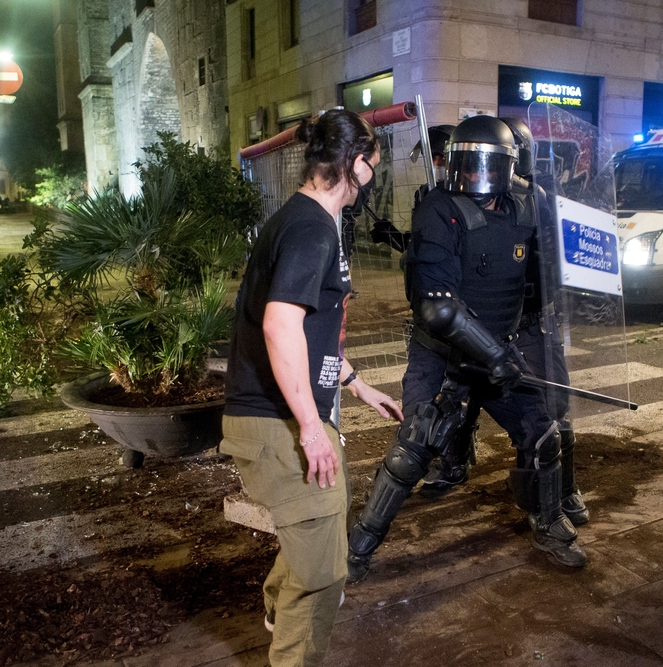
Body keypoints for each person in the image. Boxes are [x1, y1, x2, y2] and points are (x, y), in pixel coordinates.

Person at [345, 115, 588, 583]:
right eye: (464, 162)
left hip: (503, 346)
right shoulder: (438, 208)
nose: (472, 174)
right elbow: (438, 308)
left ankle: (549, 524)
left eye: (484, 164)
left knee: (543, 434)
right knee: (419, 440)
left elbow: (547, 272)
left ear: (506, 165)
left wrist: (549, 309)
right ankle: (358, 547)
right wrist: (494, 357)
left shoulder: (529, 202)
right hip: (443, 353)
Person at [221, 109, 404, 666]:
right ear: (353, 165)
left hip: (290, 415)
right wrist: (310, 429)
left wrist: (355, 385)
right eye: (371, 164)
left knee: (324, 530)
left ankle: (279, 606)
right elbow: (280, 324)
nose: (373, 177)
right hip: (278, 422)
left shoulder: (304, 222)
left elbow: (312, 331)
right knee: (325, 573)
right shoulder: (311, 228)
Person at [421, 117, 589, 526]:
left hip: (530, 320)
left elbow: (556, 261)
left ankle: (559, 491)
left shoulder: (535, 201)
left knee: (549, 409)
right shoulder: (454, 203)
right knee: (455, 406)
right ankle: (455, 464)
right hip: (477, 322)